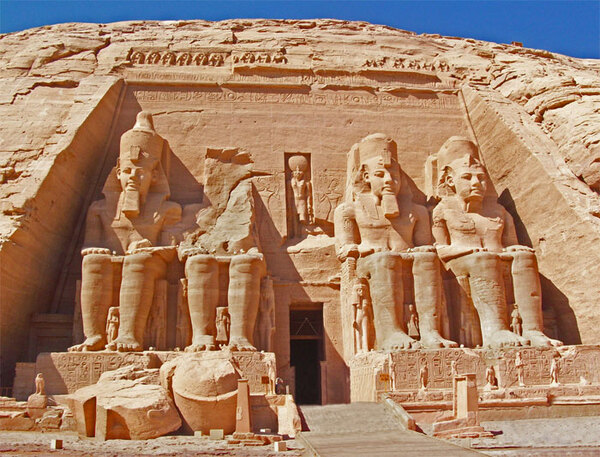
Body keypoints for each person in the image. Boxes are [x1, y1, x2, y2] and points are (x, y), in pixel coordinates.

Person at [432, 136, 562, 348]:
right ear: (450, 181)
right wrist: (467, 251)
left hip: (493, 259)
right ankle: (495, 330)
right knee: (485, 259)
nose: (476, 183)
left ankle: (533, 330)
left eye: (481, 178)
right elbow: (440, 250)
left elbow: (510, 244)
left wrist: (513, 249)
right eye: (467, 177)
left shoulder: (499, 211)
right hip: (461, 264)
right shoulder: (443, 210)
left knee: (525, 257)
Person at [70, 112, 181, 352]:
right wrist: (95, 250)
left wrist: (149, 247)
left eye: (140, 172)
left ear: (154, 176)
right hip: (114, 258)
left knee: (137, 261)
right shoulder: (100, 209)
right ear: (118, 172)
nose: (133, 177)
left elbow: (172, 250)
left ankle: (129, 335)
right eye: (128, 171)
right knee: (93, 262)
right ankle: (94, 336)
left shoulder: (167, 208)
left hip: (150, 262)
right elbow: (89, 245)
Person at [335, 134, 456, 350]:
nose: (389, 180)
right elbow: (344, 249)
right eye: (380, 174)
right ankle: (390, 334)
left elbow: (425, 245)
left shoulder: (417, 211)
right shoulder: (349, 210)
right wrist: (361, 248)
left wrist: (418, 251)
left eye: (394, 175)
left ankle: (430, 332)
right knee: (385, 259)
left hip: (405, 259)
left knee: (428, 259)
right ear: (366, 177)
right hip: (371, 263)